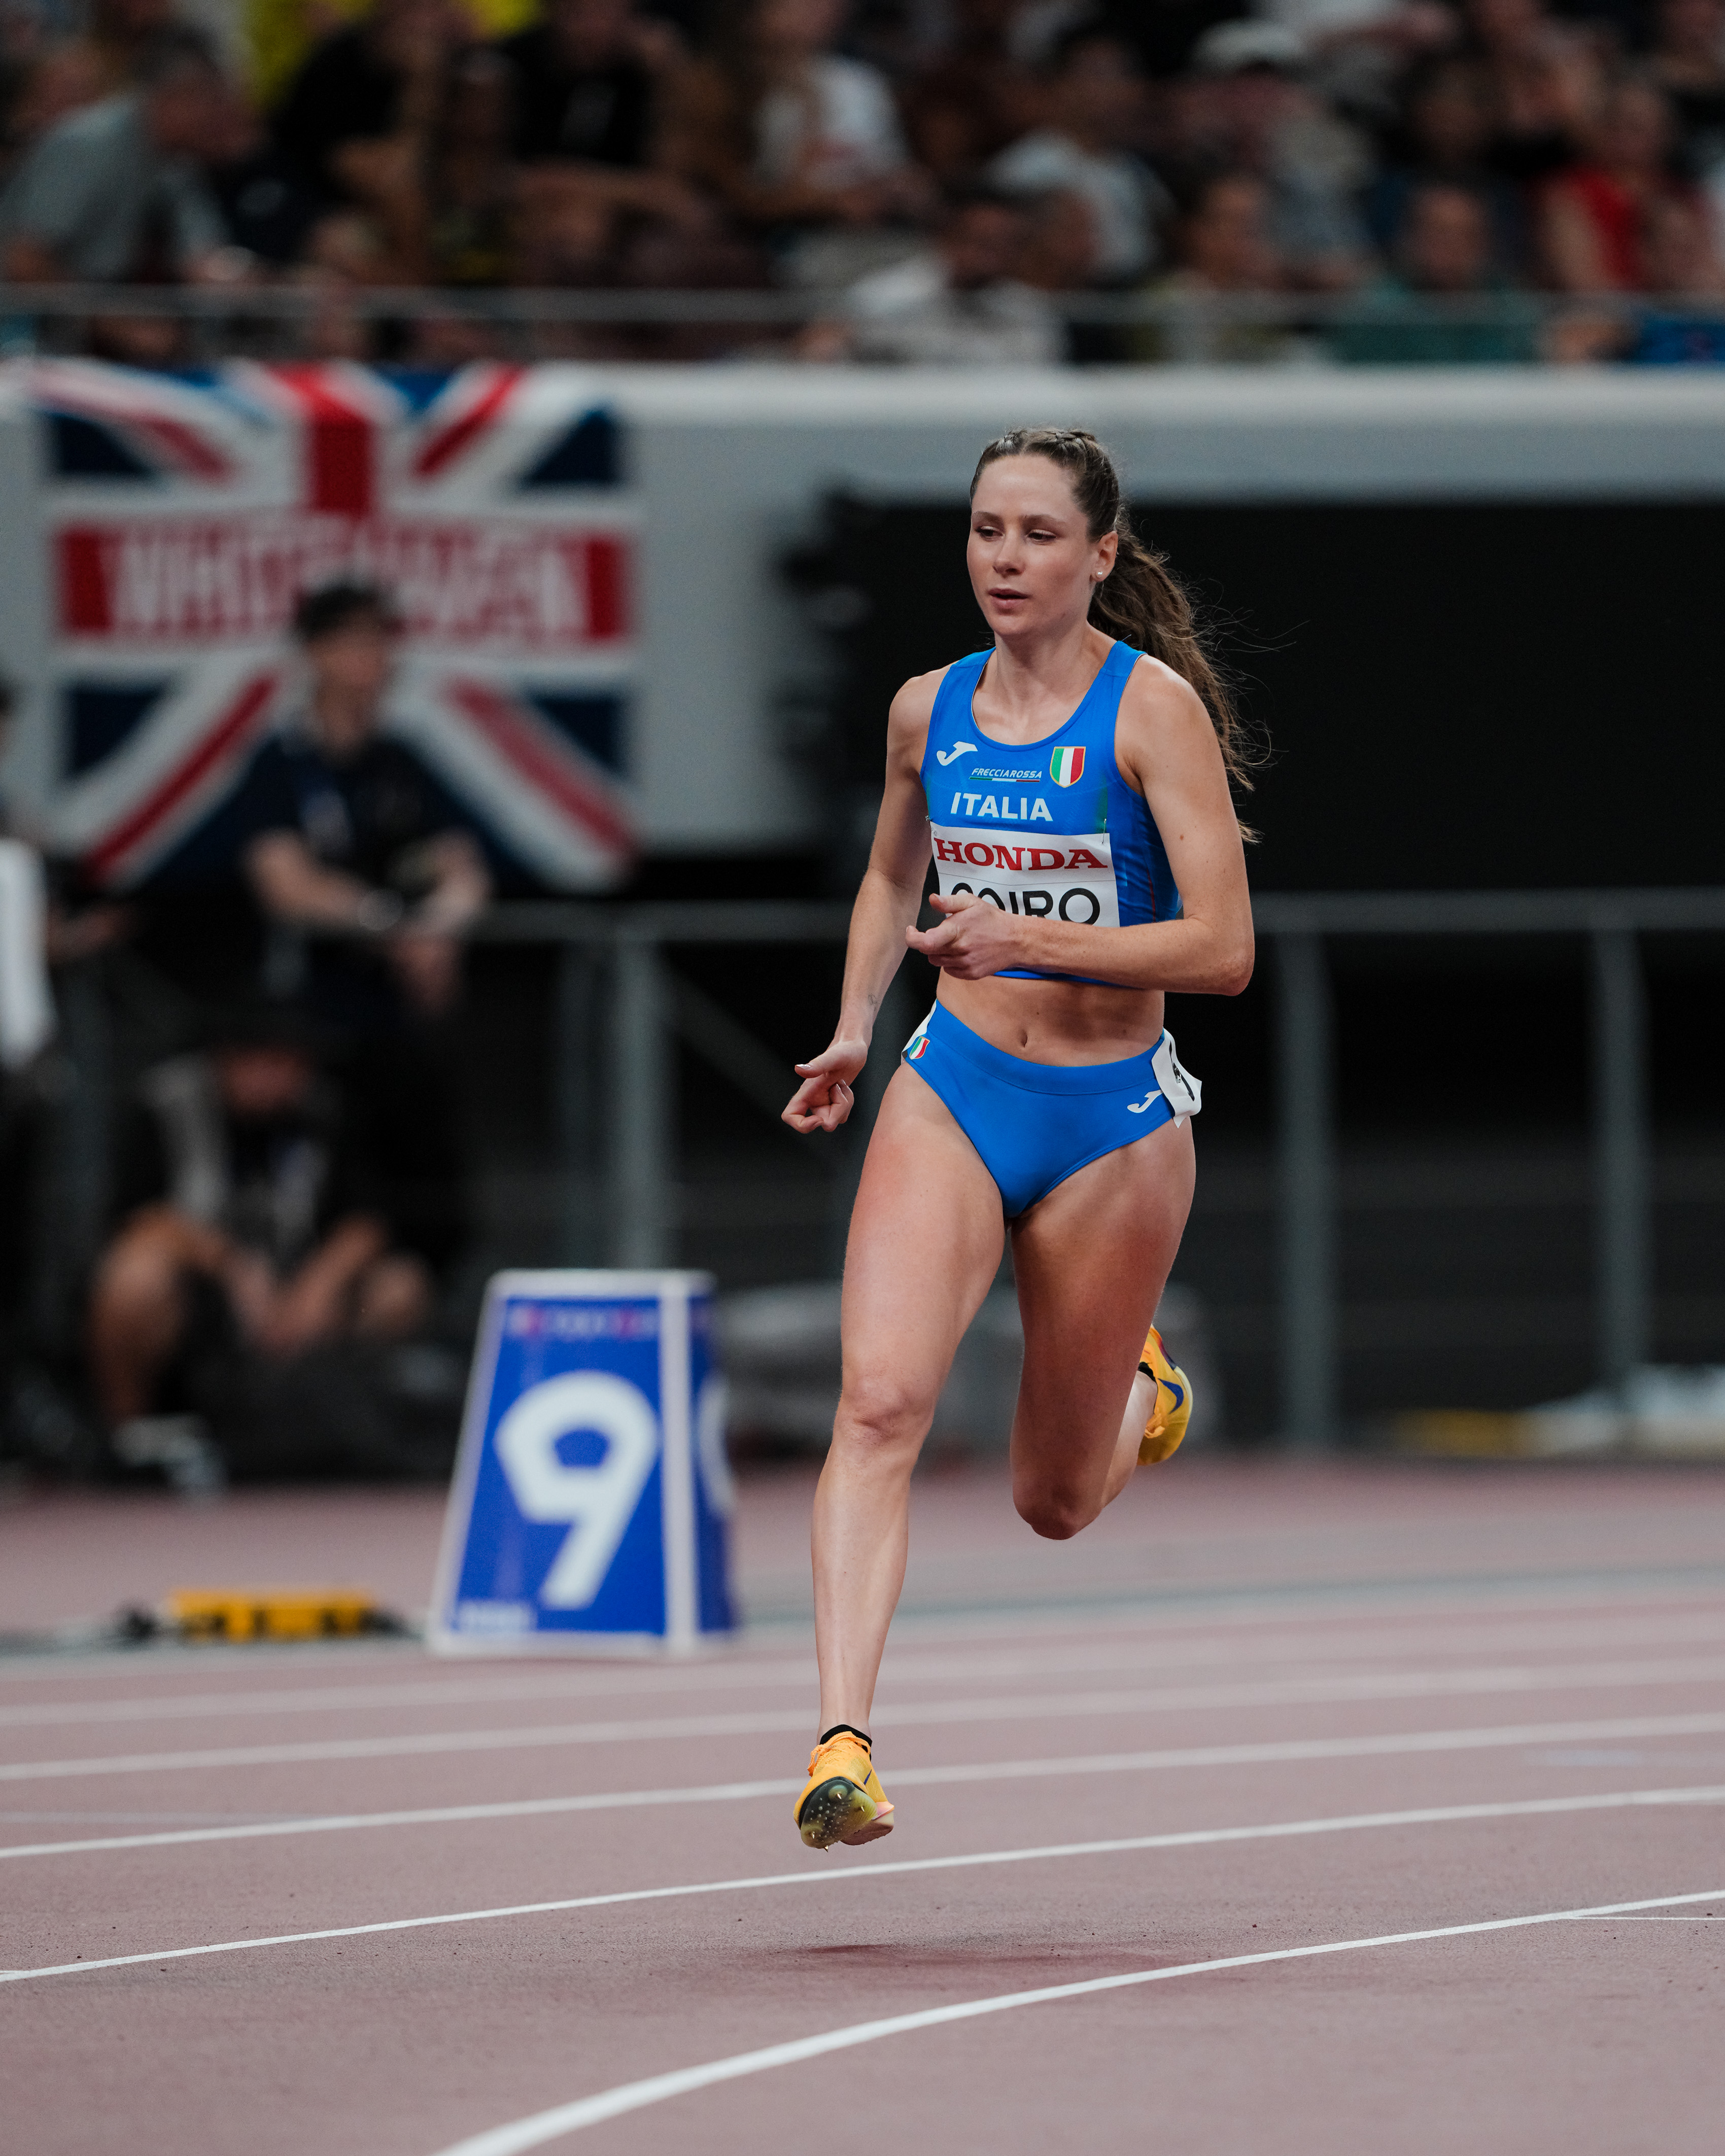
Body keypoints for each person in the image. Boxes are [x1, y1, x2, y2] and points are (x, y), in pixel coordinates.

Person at [779, 426, 1255, 1849]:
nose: (1005, 557)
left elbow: (1223, 949)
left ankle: (1141, 1402)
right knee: (878, 1404)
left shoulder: (1149, 711)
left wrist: (1035, 935)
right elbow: (890, 876)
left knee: (1050, 1501)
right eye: (987, 529)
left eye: (1039, 534)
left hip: (1110, 1125)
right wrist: (856, 1023)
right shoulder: (925, 709)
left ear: (1100, 554)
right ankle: (841, 1746)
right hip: (956, 1084)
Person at [233, 581, 490, 1272]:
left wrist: (436, 931)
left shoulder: (401, 764)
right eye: (355, 643)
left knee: (421, 1196)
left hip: (401, 1027)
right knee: (324, 1196)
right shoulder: (282, 766)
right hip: (311, 1025)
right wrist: (388, 923)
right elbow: (287, 886)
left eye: (382, 643)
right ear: (316, 653)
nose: (374, 660)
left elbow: (462, 871)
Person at [87, 1002, 432, 1450]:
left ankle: (345, 1433)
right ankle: (130, 1441)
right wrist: (232, 1267)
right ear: (224, 1060)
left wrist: (317, 1287)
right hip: (201, 1301)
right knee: (134, 1279)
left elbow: (367, 1219)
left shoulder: (326, 1109)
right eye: (260, 1062)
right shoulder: (168, 1103)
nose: (276, 1078)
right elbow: (137, 1219)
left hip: (299, 1303)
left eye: (290, 1062)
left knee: (400, 1286)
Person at [0, 28, 234, 285]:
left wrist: (233, 278)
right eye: (210, 103)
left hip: (92, 295)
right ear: (176, 98)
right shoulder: (89, 143)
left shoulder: (176, 156)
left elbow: (202, 254)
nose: (218, 119)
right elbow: (25, 260)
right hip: (23, 302)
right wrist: (104, 312)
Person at [801, 184, 1062, 365]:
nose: (989, 258)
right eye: (981, 242)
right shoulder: (886, 297)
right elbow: (819, 351)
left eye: (1004, 245)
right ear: (947, 237)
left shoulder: (1030, 311)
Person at [1332, 178, 1540, 362]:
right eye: (1440, 233)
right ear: (1410, 238)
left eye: (1465, 236)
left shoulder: (1514, 311)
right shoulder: (1374, 315)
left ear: (1486, 242)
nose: (1452, 248)